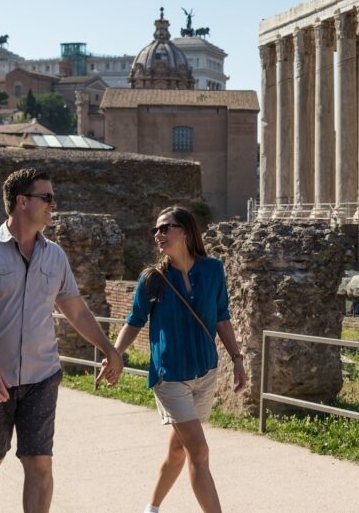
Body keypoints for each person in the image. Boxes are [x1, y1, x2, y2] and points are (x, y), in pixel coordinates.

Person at [0, 167, 124, 513]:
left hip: (42, 375)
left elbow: (75, 310)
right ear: (21, 202)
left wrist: (109, 349)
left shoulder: (55, 255)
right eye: (46, 198)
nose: (53, 205)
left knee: (40, 462)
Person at [110, 206, 247, 513]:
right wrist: (114, 354)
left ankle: (151, 508)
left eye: (165, 228)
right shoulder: (152, 280)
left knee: (177, 451)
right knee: (199, 451)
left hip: (205, 372)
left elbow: (222, 316)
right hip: (170, 376)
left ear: (184, 231)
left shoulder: (212, 270)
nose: (158, 234)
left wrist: (237, 358)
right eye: (156, 230)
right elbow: (134, 322)